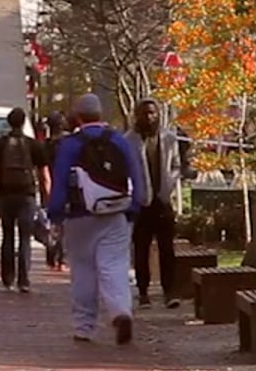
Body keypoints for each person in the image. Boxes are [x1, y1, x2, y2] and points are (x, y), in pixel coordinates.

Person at [47, 94, 145, 344]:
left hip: (80, 215)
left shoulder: (71, 144)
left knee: (83, 270)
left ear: (78, 116)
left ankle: (84, 326)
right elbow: (136, 176)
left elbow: (59, 182)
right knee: (114, 266)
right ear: (100, 114)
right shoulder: (119, 142)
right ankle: (121, 311)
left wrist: (56, 213)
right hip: (116, 213)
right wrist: (134, 207)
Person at [127, 98, 185, 308]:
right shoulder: (129, 140)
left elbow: (177, 165)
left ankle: (169, 291)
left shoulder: (169, 138)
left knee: (167, 248)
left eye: (153, 113)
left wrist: (169, 183)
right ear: (137, 115)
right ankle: (143, 292)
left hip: (162, 200)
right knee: (141, 249)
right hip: (141, 203)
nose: (149, 117)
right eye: (145, 113)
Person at [0, 107, 49, 293]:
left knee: (7, 236)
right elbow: (44, 175)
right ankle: (24, 280)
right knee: (24, 238)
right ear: (23, 122)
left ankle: (7, 279)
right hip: (26, 195)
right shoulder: (34, 145)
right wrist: (47, 198)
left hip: (5, 195)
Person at [42, 111, 71, 272]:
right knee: (64, 224)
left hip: (50, 186)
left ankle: (51, 256)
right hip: (66, 185)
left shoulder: (45, 145)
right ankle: (63, 259)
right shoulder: (69, 143)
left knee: (52, 224)